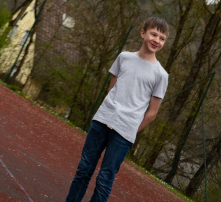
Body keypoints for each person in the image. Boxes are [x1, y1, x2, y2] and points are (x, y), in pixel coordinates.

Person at [64, 16, 169, 202]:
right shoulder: (124, 57)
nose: (157, 40)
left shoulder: (161, 75)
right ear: (143, 33)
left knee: (105, 179)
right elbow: (113, 89)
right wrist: (111, 112)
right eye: (154, 34)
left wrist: (130, 129)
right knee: (84, 169)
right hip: (102, 121)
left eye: (162, 38)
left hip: (124, 132)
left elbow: (152, 114)